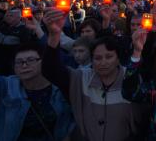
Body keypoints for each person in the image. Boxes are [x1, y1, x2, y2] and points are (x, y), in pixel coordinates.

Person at [42, 8, 144, 141]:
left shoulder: (129, 78)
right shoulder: (81, 78)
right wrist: (54, 35)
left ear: (118, 59)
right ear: (92, 59)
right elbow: (50, 70)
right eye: (98, 58)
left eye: (109, 57)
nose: (103, 62)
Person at [0, 44, 74, 141]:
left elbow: (77, 118)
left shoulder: (61, 87)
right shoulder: (8, 86)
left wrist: (70, 135)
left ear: (44, 62)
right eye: (19, 62)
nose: (24, 65)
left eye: (31, 60)